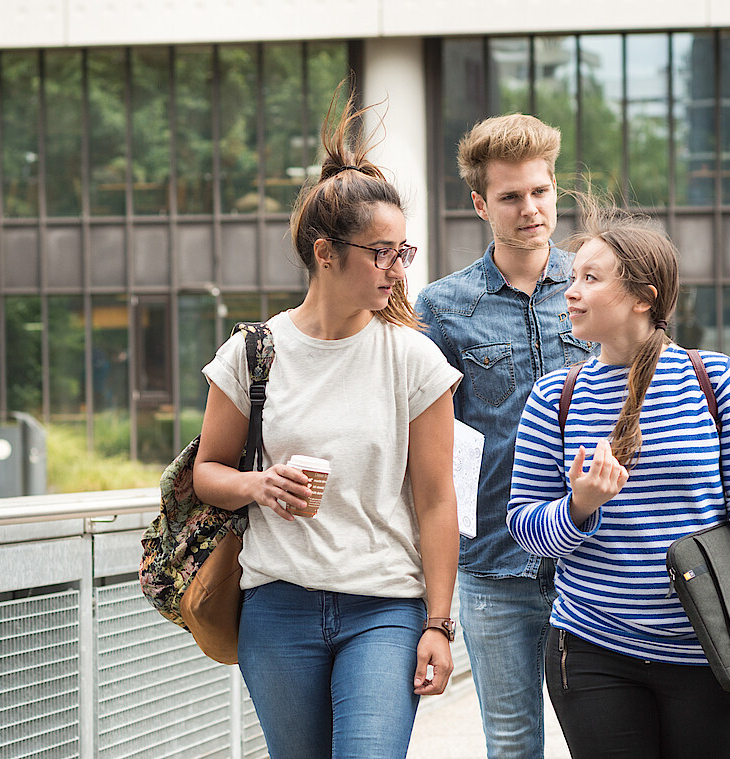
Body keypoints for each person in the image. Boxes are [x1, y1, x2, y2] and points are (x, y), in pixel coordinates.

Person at [192, 94, 462, 759]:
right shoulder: (252, 353)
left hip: (385, 608)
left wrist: (439, 623)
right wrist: (258, 485)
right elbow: (207, 472)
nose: (398, 269)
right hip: (277, 606)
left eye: (403, 252)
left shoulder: (414, 359)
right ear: (325, 253)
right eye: (382, 253)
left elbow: (437, 499)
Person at [507, 197, 730, 759]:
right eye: (573, 278)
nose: (571, 292)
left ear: (643, 297)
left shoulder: (714, 379)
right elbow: (523, 527)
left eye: (591, 279)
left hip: (710, 647)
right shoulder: (553, 398)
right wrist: (579, 506)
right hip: (591, 647)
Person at [415, 114, 595, 758]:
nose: (530, 209)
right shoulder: (442, 309)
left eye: (540, 191)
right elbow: (429, 451)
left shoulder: (598, 286)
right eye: (511, 196)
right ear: (480, 204)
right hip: (494, 563)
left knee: (606, 741)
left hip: (599, 558)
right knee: (513, 744)